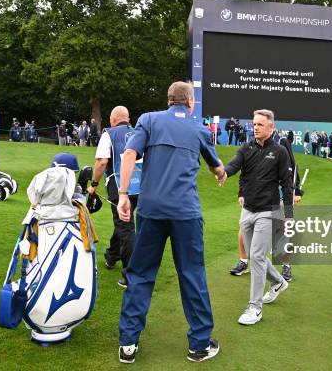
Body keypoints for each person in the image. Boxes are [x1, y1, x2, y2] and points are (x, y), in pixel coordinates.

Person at [116, 81, 225, 363]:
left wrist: (124, 194)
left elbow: (129, 154)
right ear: (190, 102)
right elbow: (216, 167)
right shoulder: (199, 128)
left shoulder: (148, 120)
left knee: (140, 274)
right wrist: (221, 173)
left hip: (151, 210)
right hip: (186, 214)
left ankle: (128, 344)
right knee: (192, 274)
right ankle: (199, 345)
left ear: (168, 100)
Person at [221, 109, 293, 326]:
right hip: (248, 210)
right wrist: (224, 173)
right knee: (255, 257)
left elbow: (286, 184)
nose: (256, 127)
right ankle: (279, 282)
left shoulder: (280, 152)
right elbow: (236, 167)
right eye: (254, 124)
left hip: (268, 211)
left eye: (260, 124)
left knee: (258, 257)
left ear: (271, 127)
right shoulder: (247, 147)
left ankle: (255, 308)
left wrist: (288, 214)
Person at [229, 129, 303, 281]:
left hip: (282, 200)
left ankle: (286, 265)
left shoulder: (286, 158)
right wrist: (242, 193)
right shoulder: (259, 153)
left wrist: (297, 194)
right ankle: (244, 261)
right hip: (258, 200)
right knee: (244, 229)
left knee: (284, 232)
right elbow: (247, 175)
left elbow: (292, 183)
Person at [88, 106, 138, 288]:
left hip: (119, 186)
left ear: (113, 119)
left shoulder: (109, 133)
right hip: (141, 186)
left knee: (125, 228)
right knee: (123, 223)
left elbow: (102, 162)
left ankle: (130, 275)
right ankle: (112, 256)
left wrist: (93, 185)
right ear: (128, 118)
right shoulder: (139, 132)